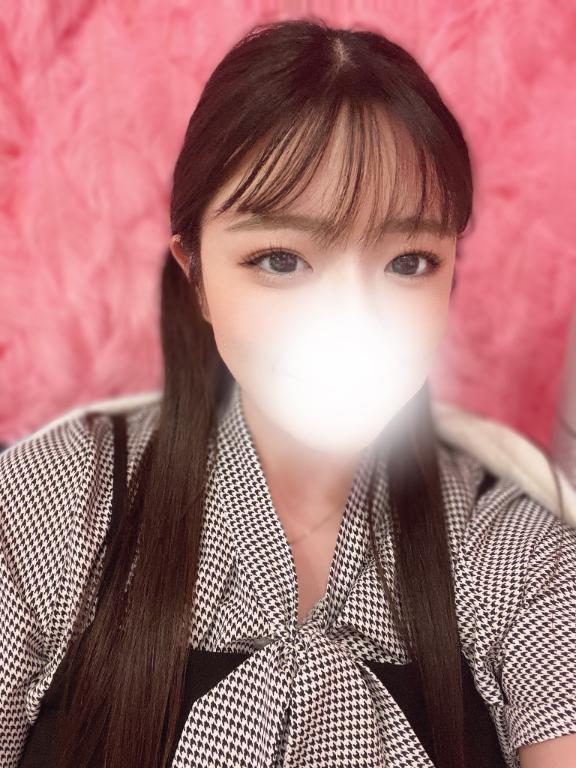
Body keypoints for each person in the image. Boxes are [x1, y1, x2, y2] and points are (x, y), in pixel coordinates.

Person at [2, 17, 576, 768]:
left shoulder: (514, 548)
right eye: (279, 259)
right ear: (196, 274)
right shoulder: (53, 501)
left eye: (408, 262)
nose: (350, 322)